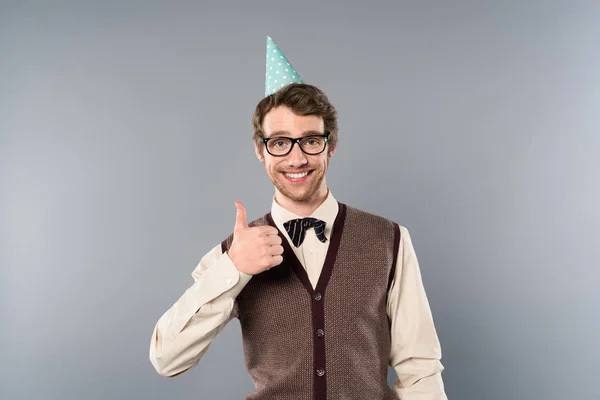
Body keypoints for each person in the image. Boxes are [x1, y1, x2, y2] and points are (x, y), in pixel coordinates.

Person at [149, 36, 447, 400]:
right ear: (261, 150)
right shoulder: (235, 251)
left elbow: (420, 369)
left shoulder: (390, 239)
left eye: (310, 140)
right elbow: (166, 359)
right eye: (280, 142)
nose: (296, 158)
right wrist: (235, 269)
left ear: (330, 146)